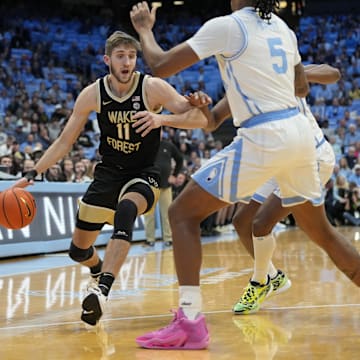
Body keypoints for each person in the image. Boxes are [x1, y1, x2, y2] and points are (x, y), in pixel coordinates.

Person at [130, 1, 360, 350]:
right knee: (324, 235)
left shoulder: (227, 26)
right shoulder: (282, 27)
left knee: (182, 214)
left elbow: (159, 66)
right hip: (300, 137)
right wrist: (210, 104)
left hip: (266, 135)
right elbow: (299, 88)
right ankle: (262, 279)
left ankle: (190, 322)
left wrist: (145, 28)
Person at [12, 31, 210, 327]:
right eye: (121, 56)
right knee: (78, 250)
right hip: (108, 173)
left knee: (127, 210)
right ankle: (97, 268)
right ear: (108, 60)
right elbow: (65, 141)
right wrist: (32, 172)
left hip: (143, 173)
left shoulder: (152, 87)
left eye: (132, 56)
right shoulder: (92, 94)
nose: (127, 62)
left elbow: (200, 119)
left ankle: (101, 290)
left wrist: (163, 118)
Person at [231, 63, 360, 314]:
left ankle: (260, 281)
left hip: (308, 157)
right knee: (242, 221)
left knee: (307, 232)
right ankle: (272, 277)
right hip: (279, 158)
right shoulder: (247, 78)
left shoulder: (280, 63)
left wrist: (299, 73)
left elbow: (334, 73)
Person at [143, 131, 183, 247]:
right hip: (150, 185)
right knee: (148, 214)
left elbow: (179, 159)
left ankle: (168, 238)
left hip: (166, 186)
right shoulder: (145, 145)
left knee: (167, 213)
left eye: (159, 131)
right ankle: (149, 239)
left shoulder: (168, 145)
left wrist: (175, 175)